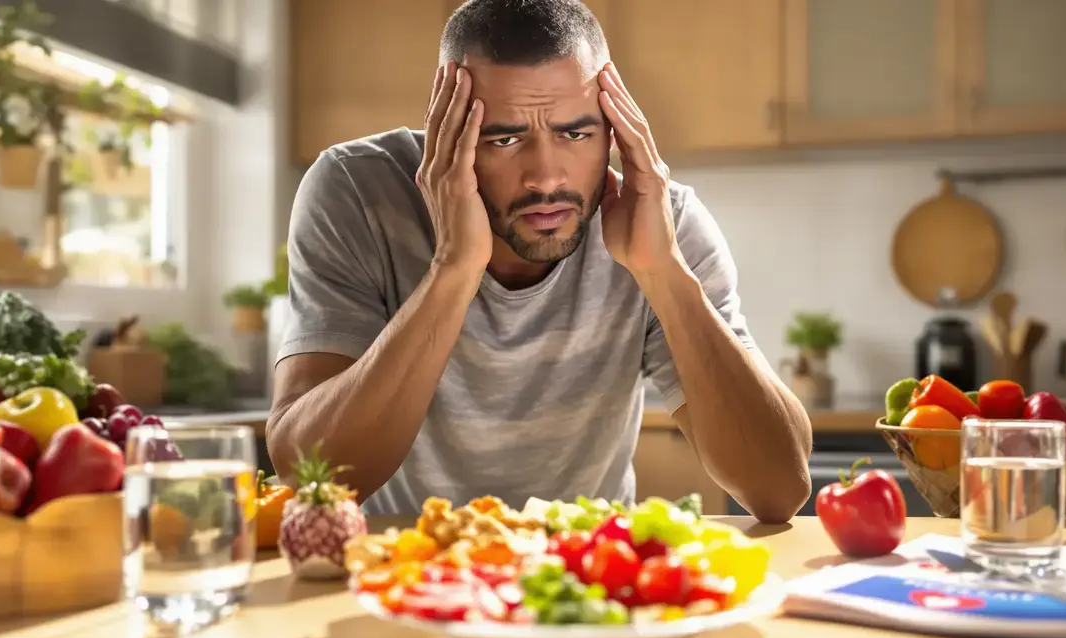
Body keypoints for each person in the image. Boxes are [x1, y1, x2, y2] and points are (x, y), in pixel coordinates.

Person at [267, 0, 812, 523]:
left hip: (584, 578)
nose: (546, 177)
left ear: (616, 131)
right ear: (446, 134)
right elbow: (308, 477)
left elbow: (778, 489)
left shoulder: (660, 219)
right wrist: (454, 269)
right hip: (401, 573)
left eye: (575, 133)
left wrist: (663, 274)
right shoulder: (357, 193)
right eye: (504, 139)